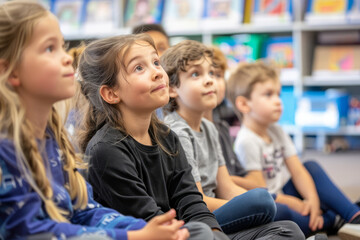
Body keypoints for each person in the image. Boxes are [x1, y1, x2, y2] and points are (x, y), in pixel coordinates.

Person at [0, 2, 189, 239]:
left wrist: (145, 230)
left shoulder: (52, 139)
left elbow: (84, 211)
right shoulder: (5, 148)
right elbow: (29, 232)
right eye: (50, 49)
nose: (68, 58)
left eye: (62, 46)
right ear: (10, 71)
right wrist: (135, 236)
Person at [78, 34, 228, 240]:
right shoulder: (106, 150)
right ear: (111, 94)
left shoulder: (167, 137)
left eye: (156, 62)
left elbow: (190, 200)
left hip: (183, 230)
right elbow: (150, 222)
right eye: (139, 68)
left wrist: (216, 234)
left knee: (283, 228)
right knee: (201, 232)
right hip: (157, 234)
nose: (158, 72)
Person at [161, 39, 305, 239]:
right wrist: (253, 206)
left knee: (289, 229)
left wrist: (252, 206)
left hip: (217, 216)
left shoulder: (210, 128)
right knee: (262, 200)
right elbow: (197, 200)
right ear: (172, 89)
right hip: (196, 220)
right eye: (196, 74)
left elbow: (226, 186)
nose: (209, 80)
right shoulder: (177, 132)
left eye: (211, 72)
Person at [227, 61, 360, 238]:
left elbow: (297, 170)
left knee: (311, 166)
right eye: (268, 95)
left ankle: (353, 215)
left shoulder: (276, 130)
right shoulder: (246, 141)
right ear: (244, 104)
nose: (278, 101)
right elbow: (260, 187)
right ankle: (333, 218)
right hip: (274, 201)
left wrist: (311, 201)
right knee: (283, 215)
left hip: (287, 189)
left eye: (278, 94)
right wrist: (296, 204)